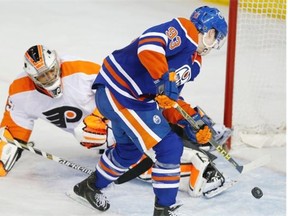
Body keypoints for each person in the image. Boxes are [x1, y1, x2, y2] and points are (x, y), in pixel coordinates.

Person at [73, 5, 228, 216]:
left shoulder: (194, 63)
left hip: (132, 99)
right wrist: (163, 78)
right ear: (205, 29)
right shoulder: (185, 30)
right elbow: (149, 44)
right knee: (170, 146)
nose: (214, 43)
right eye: (213, 35)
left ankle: (89, 187)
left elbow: (167, 98)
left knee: (129, 151)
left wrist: (190, 120)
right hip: (120, 91)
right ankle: (164, 210)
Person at [0, 44, 113, 177]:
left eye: (51, 71)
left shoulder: (80, 70)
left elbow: (116, 90)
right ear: (32, 77)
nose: (49, 78)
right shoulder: (21, 92)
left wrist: (99, 117)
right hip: (91, 136)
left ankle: (129, 145)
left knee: (89, 130)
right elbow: (12, 133)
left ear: (57, 63)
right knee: (85, 132)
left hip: (117, 119)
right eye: (42, 76)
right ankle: (116, 147)